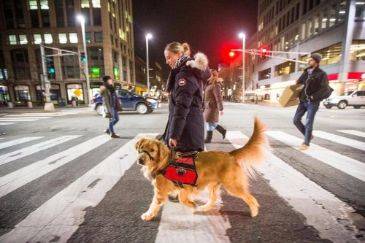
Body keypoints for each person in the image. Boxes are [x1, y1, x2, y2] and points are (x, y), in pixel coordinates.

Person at [163, 42, 208, 152]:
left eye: (169, 57)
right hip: (187, 131)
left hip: (186, 134)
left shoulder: (185, 74)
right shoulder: (182, 72)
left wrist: (174, 135)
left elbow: (181, 106)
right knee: (183, 168)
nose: (167, 61)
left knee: (183, 168)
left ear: (178, 54)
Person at [294, 53, 331, 150]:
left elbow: (324, 89)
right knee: (296, 120)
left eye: (311, 60)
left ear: (316, 62)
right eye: (308, 60)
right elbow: (299, 83)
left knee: (308, 122)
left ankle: (306, 143)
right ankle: (309, 135)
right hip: (302, 101)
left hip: (313, 102)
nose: (308, 61)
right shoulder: (306, 72)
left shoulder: (321, 74)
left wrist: (313, 97)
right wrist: (297, 84)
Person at [203, 69, 226, 143]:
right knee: (209, 122)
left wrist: (221, 109)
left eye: (209, 75)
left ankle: (209, 138)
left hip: (212, 107)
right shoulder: (209, 84)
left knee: (209, 121)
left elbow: (218, 97)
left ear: (212, 75)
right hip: (208, 106)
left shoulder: (216, 85)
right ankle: (221, 131)